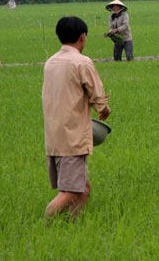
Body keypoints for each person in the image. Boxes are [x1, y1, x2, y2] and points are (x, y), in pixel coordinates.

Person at [42, 16, 111, 219]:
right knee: (70, 191)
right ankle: (45, 221)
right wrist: (104, 109)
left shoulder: (50, 62)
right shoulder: (82, 62)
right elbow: (97, 94)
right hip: (72, 135)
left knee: (83, 188)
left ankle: (74, 225)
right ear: (83, 37)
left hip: (55, 135)